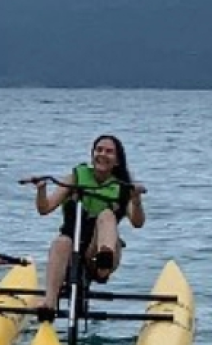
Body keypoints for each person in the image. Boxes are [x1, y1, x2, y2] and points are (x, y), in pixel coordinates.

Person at [25, 132, 145, 320]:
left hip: (98, 257)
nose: (102, 154)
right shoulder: (76, 177)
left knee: (106, 215)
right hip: (72, 251)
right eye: (99, 150)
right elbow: (45, 208)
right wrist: (41, 189)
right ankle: (49, 303)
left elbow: (137, 223)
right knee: (61, 242)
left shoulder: (122, 188)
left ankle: (104, 255)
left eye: (109, 152)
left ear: (117, 161)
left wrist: (136, 200)